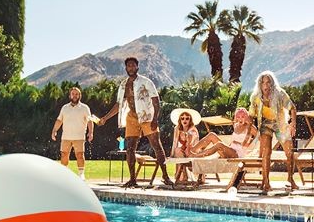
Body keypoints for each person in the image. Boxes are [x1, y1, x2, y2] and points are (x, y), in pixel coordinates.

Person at [98, 56, 172, 187]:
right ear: (126, 68)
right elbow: (118, 105)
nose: (131, 68)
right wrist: (105, 118)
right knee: (130, 148)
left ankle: (166, 177)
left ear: (137, 67)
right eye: (128, 66)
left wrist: (155, 119)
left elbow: (156, 102)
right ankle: (132, 179)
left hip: (146, 116)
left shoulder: (146, 82)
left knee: (156, 145)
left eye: (133, 65)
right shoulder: (122, 85)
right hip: (131, 116)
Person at [250, 71, 298, 193]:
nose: (265, 85)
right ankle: (266, 181)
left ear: (272, 83)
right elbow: (251, 115)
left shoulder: (280, 93)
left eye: (268, 82)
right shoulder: (255, 97)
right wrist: (250, 129)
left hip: (280, 124)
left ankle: (290, 179)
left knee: (289, 152)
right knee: (266, 152)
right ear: (260, 85)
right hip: (265, 124)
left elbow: (292, 108)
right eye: (263, 83)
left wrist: (293, 124)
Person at [51, 86, 94, 180]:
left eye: (77, 94)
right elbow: (59, 120)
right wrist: (54, 131)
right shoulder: (64, 108)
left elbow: (90, 121)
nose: (75, 96)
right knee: (64, 154)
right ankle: (64, 173)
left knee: (80, 155)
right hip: (66, 137)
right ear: (70, 95)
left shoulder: (84, 108)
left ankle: (81, 174)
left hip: (79, 136)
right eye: (73, 94)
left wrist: (90, 133)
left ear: (80, 95)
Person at [190, 107, 258, 159]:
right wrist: (230, 145)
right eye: (238, 117)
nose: (240, 119)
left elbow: (257, 139)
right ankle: (191, 150)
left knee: (219, 144)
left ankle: (196, 156)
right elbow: (232, 143)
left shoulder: (251, 127)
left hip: (238, 154)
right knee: (212, 135)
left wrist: (248, 144)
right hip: (230, 151)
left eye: (243, 117)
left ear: (246, 117)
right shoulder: (236, 126)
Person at [168, 108, 201, 184]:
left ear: (190, 120)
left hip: (193, 151)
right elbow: (175, 142)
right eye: (182, 118)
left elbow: (192, 144)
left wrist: (183, 149)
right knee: (177, 150)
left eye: (187, 118)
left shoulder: (193, 129)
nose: (184, 120)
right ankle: (183, 174)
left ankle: (184, 174)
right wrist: (171, 155)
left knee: (179, 150)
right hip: (183, 152)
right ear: (180, 120)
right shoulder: (177, 128)